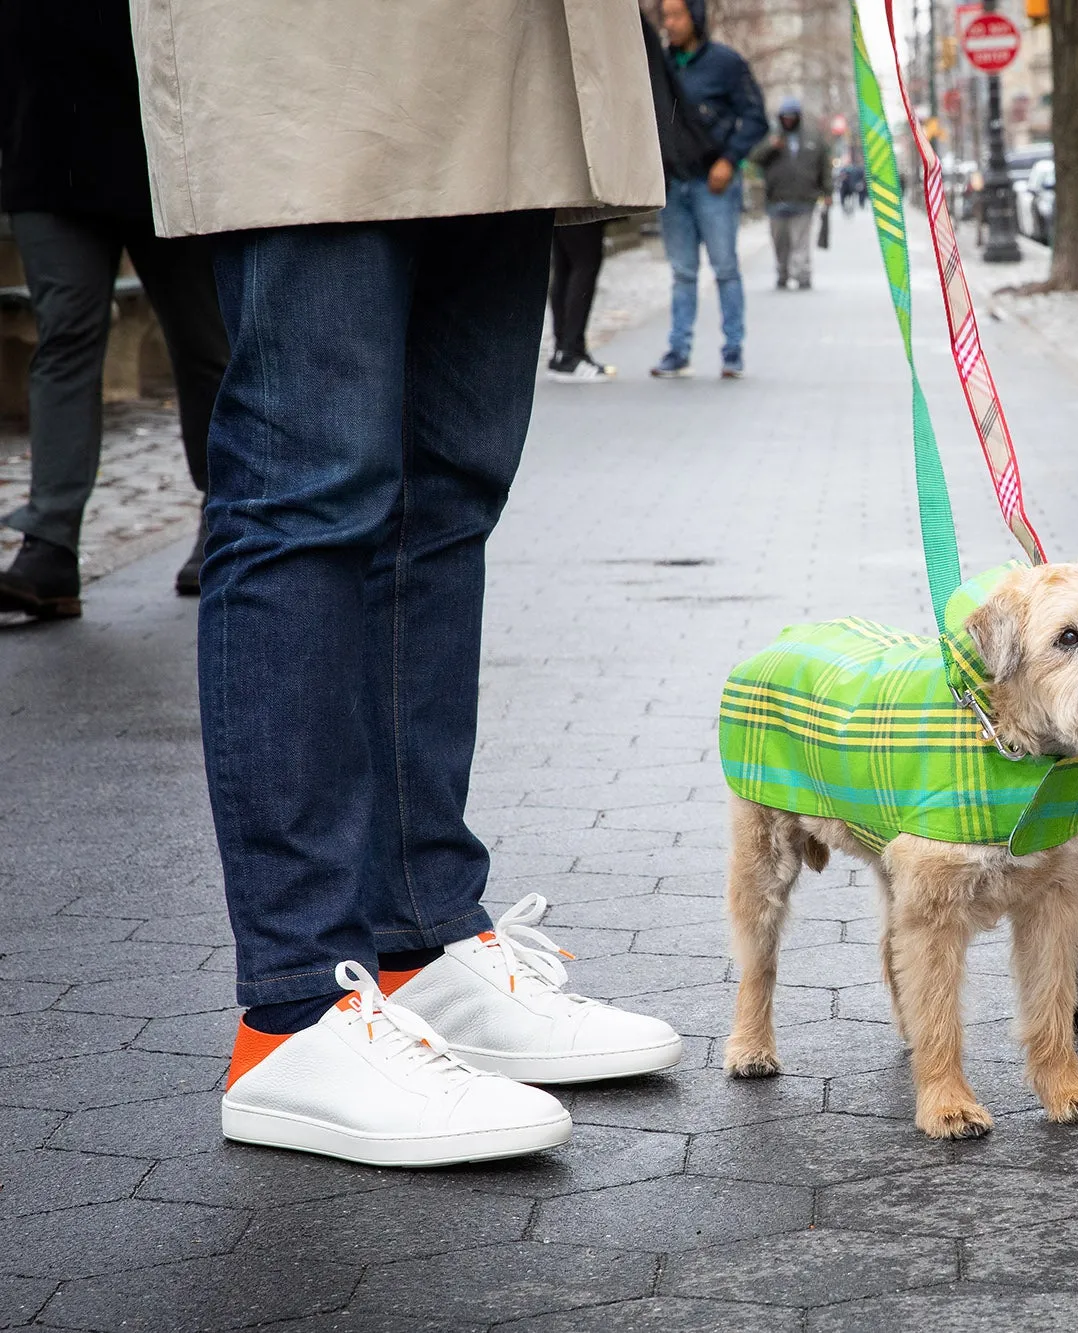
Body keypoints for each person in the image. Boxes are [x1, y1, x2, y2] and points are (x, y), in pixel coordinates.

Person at [128, 0, 685, 1168]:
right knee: (310, 492)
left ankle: (412, 945)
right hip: (323, 39)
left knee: (448, 492)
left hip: (520, 53)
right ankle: (294, 1009)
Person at [0, 0, 229, 616]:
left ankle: (227, 520)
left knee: (205, 345)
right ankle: (49, 544)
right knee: (65, 338)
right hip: (43, 146)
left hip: (165, 151)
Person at [646, 0, 766, 380]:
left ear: (695, 17)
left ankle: (733, 351)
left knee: (725, 269)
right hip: (674, 184)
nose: (669, 24)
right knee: (682, 273)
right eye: (665, 16)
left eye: (676, 15)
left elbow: (755, 117)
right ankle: (678, 351)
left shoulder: (726, 64)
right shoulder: (661, 66)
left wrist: (729, 160)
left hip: (713, 184)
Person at [750, 97, 831, 291]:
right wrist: (772, 146)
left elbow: (824, 166)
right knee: (780, 242)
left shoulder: (813, 137)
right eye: (785, 117)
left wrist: (827, 192)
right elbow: (754, 158)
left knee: (801, 240)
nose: (788, 120)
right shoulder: (771, 136)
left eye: (791, 116)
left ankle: (802, 274)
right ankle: (782, 273)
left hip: (804, 198)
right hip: (776, 199)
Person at [546, 219, 615, 381]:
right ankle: (571, 353)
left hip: (558, 202)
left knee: (565, 265)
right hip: (578, 200)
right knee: (585, 262)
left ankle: (563, 352)